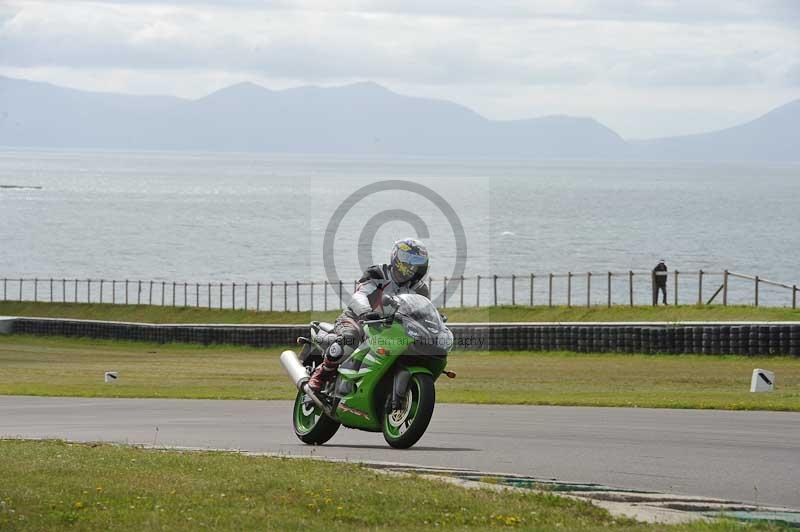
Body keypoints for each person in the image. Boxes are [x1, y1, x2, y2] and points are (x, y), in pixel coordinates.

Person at [307, 238, 431, 392]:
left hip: (389, 328)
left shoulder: (420, 289)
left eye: (417, 262)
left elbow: (422, 311)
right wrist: (366, 312)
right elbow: (359, 295)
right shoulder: (377, 273)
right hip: (357, 318)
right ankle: (322, 373)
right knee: (352, 337)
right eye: (408, 260)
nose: (412, 266)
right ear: (396, 257)